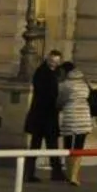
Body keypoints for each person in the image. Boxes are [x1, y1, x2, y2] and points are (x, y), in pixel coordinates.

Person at [23, 50, 64, 181]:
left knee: (50, 145)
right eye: (52, 61)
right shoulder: (42, 73)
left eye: (56, 61)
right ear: (47, 59)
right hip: (42, 115)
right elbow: (46, 94)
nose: (54, 64)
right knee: (38, 145)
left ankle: (55, 172)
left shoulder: (55, 73)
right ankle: (30, 173)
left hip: (47, 115)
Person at [56, 62, 94, 185]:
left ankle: (70, 174)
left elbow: (60, 101)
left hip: (71, 119)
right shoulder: (85, 83)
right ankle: (75, 175)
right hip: (84, 118)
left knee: (69, 147)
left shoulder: (65, 85)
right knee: (79, 147)